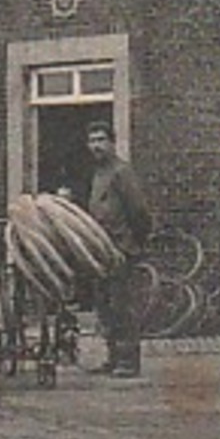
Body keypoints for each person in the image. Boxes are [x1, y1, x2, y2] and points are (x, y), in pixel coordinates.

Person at [84, 121, 153, 378]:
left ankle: (128, 361)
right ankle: (112, 357)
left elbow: (139, 211)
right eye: (92, 141)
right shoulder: (98, 174)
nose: (96, 146)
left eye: (101, 140)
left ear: (112, 143)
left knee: (123, 305)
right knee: (105, 305)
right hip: (100, 250)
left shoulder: (122, 172)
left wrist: (133, 243)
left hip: (121, 248)